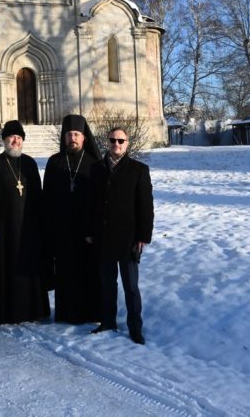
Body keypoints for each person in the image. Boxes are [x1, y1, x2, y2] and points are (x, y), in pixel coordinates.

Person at [86, 127, 154, 344]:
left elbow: (146, 206)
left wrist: (143, 236)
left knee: (131, 287)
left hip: (128, 239)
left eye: (120, 141)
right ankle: (108, 320)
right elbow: (91, 203)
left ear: (127, 143)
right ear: (107, 142)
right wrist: (89, 231)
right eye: (113, 140)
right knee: (107, 283)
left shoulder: (138, 170)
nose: (116, 144)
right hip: (103, 237)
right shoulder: (97, 169)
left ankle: (135, 327)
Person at [0, 121, 51, 324]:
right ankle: (8, 312)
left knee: (30, 268)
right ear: (4, 140)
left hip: (29, 227)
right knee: (8, 269)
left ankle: (33, 310)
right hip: (5, 228)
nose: (15, 141)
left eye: (19, 138)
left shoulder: (30, 163)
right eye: (11, 138)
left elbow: (39, 196)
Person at [43, 114, 103, 325]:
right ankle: (67, 314)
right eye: (69, 134)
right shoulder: (54, 162)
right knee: (66, 274)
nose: (73, 138)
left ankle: (92, 313)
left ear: (84, 137)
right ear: (64, 137)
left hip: (86, 231)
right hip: (62, 231)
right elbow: (46, 197)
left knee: (88, 272)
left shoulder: (95, 164)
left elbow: (100, 200)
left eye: (77, 134)